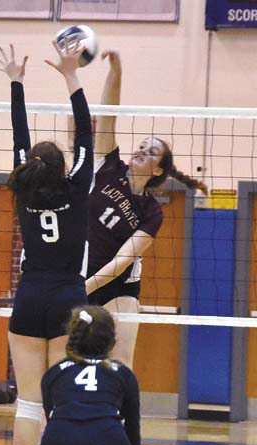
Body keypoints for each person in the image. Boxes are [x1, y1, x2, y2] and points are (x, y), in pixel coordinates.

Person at [0, 40, 94, 445]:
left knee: (29, 405)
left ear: (30, 167)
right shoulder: (78, 185)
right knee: (62, 405)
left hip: (29, 296)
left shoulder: (23, 189)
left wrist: (16, 81)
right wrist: (71, 76)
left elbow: (20, 133)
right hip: (69, 299)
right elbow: (87, 132)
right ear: (65, 166)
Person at [86, 50, 208, 368]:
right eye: (141, 145)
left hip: (119, 288)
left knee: (119, 365)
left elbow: (122, 261)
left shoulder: (152, 211)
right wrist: (116, 71)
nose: (141, 150)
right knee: (73, 360)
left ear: (158, 170)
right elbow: (108, 114)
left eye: (151, 151)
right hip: (80, 274)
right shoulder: (107, 166)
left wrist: (84, 288)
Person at [18, 306, 159, 445]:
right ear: (112, 341)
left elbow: (52, 422)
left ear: (72, 335)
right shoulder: (123, 374)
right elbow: (133, 428)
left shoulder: (54, 373)